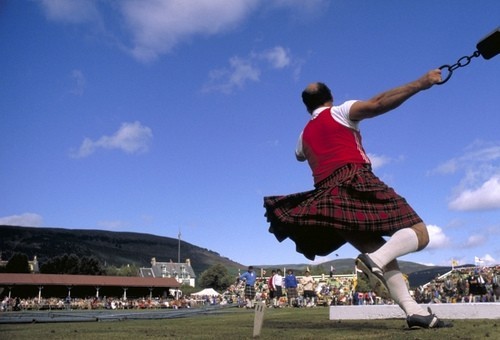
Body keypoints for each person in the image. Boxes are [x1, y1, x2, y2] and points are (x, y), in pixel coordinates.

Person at [264, 69, 451, 329]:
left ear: (307, 107)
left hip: (328, 199)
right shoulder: (341, 111)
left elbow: (299, 155)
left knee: (384, 255)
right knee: (420, 233)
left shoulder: (302, 136)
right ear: (330, 97)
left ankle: (414, 312)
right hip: (355, 179)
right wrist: (420, 83)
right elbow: (376, 104)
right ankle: (373, 262)